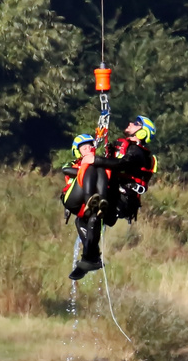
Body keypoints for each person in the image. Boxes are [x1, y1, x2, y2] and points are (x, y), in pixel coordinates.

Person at [61, 116, 158, 281]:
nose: (130, 123)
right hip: (113, 195)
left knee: (92, 215)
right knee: (84, 220)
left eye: (135, 123)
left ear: (142, 132)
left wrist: (96, 159)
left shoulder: (138, 152)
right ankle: (90, 258)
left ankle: (90, 258)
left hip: (123, 200)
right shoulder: (126, 147)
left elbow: (122, 164)